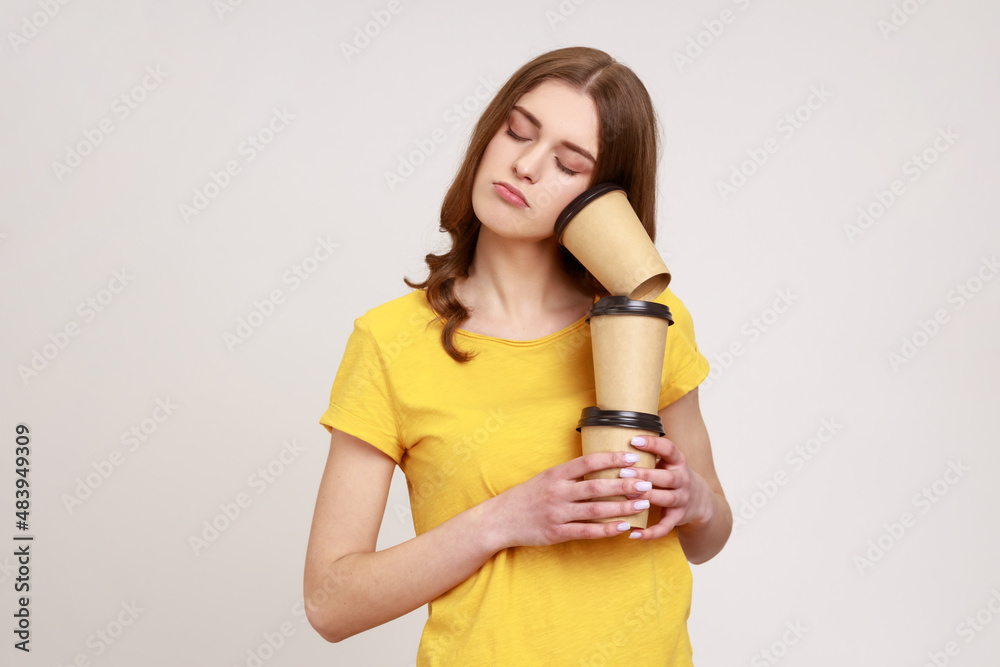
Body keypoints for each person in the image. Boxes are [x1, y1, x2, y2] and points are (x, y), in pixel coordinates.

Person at [303, 46, 732, 665]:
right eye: (517, 131)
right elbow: (329, 602)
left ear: (607, 198)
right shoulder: (389, 341)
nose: (525, 165)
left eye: (568, 162)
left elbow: (708, 537)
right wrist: (508, 518)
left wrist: (694, 501)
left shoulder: (648, 322)